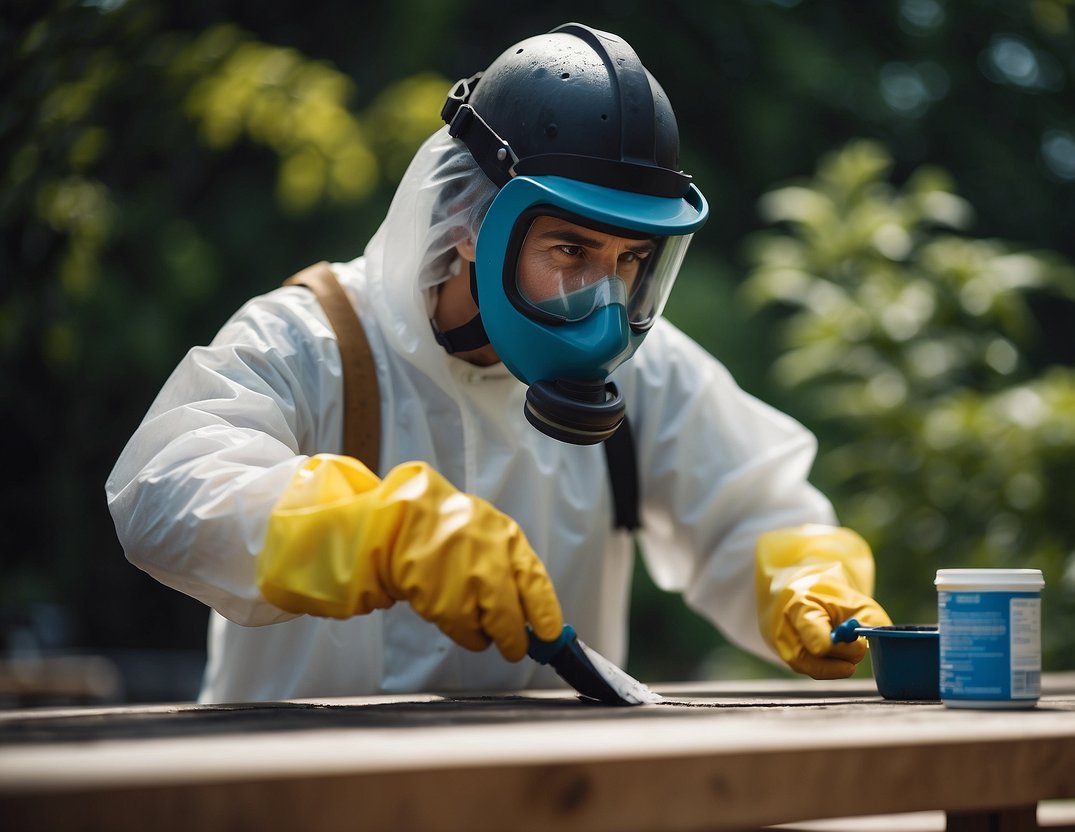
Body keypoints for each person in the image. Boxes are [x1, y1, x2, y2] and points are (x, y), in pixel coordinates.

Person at [106, 22, 891, 704]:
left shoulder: (645, 376)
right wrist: (375, 534)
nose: (603, 298)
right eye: (571, 249)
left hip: (545, 799)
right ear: (471, 222)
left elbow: (752, 512)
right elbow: (163, 492)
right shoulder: (314, 341)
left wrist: (803, 580)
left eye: (630, 259)